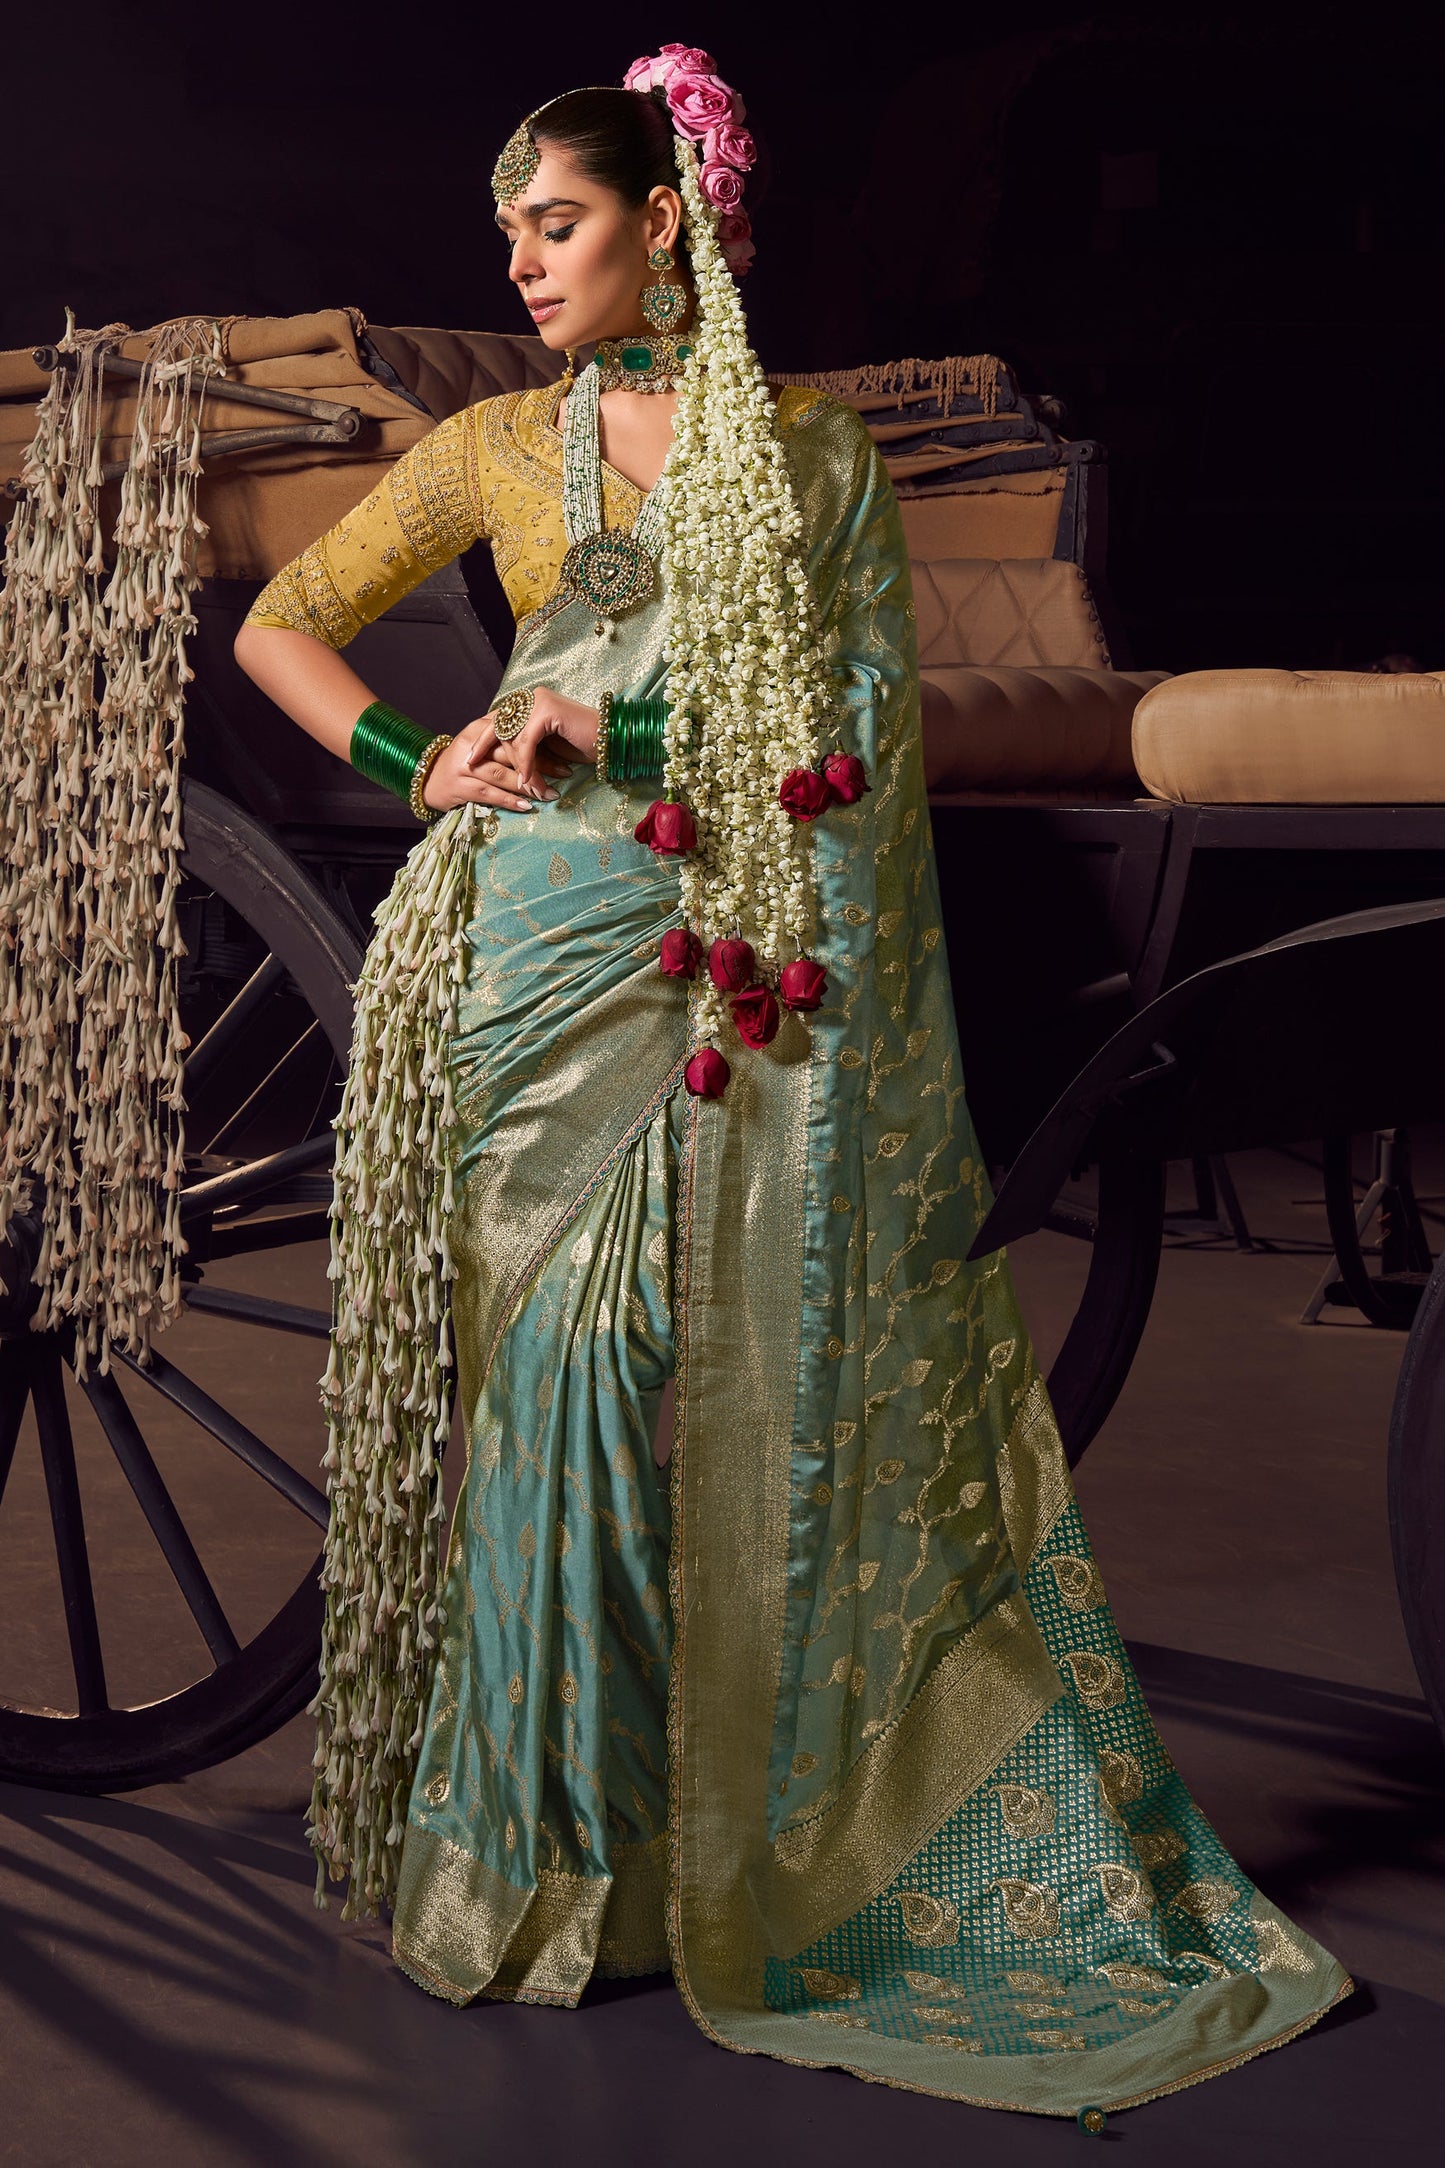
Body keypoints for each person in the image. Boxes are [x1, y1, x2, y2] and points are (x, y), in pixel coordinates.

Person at [233, 44, 1349, 2124]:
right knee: (553, 1383)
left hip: (730, 950)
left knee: (686, 1366)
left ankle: (732, 1837)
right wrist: (419, 756)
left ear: (663, 222)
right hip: (526, 956)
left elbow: (854, 732)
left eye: (555, 224)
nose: (521, 263)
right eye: (507, 235)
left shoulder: (810, 456)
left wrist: (666, 783)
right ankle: (552, 1873)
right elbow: (289, 622)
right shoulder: (492, 446)